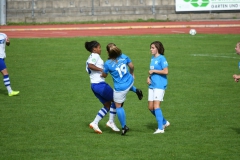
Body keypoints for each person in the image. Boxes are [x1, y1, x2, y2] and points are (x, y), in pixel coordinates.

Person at [101, 43, 137, 135]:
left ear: (107, 52)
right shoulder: (124, 56)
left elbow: (104, 75)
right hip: (130, 81)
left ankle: (124, 126)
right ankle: (136, 90)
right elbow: (132, 66)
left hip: (120, 88)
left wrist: (101, 74)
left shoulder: (108, 63)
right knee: (127, 88)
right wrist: (132, 74)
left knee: (118, 106)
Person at [85, 40, 120, 134]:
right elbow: (90, 66)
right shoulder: (95, 56)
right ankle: (111, 122)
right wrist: (102, 69)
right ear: (94, 49)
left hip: (94, 86)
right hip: (100, 85)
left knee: (107, 105)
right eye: (99, 47)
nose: (100, 49)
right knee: (118, 100)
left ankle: (95, 123)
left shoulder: (91, 57)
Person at [147, 41, 170, 134]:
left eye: (153, 48)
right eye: (151, 47)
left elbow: (166, 71)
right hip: (152, 85)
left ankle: (160, 128)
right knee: (150, 107)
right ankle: (164, 122)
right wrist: (148, 77)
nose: (151, 49)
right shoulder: (152, 58)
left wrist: (154, 71)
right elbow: (152, 72)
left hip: (159, 85)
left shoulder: (162, 58)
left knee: (156, 106)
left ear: (157, 48)